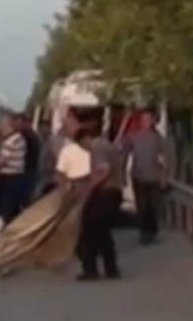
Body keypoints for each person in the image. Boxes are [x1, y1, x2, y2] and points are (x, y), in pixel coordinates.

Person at [57, 125, 121, 281]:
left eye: (81, 145)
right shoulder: (108, 145)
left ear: (85, 139)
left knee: (88, 231)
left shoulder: (97, 148)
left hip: (105, 193)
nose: (83, 149)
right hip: (114, 192)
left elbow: (104, 171)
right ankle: (111, 269)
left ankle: (90, 269)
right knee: (103, 233)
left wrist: (90, 187)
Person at [121, 109, 167, 245]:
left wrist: (164, 175)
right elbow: (124, 155)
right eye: (144, 119)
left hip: (154, 177)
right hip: (138, 176)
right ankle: (143, 234)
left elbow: (164, 157)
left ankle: (152, 233)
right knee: (142, 206)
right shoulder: (132, 136)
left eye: (149, 119)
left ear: (153, 121)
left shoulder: (157, 138)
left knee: (154, 206)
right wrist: (123, 174)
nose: (146, 122)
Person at [0, 114, 29, 224]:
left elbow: (1, 162)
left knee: (5, 214)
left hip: (9, 180)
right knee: (15, 213)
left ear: (7, 126)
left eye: (1, 127)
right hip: (18, 178)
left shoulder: (10, 142)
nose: (0, 130)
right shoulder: (20, 139)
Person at [17, 113, 42, 201]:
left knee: (25, 197)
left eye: (20, 123)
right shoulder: (33, 136)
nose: (18, 126)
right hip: (29, 170)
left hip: (28, 170)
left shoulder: (28, 137)